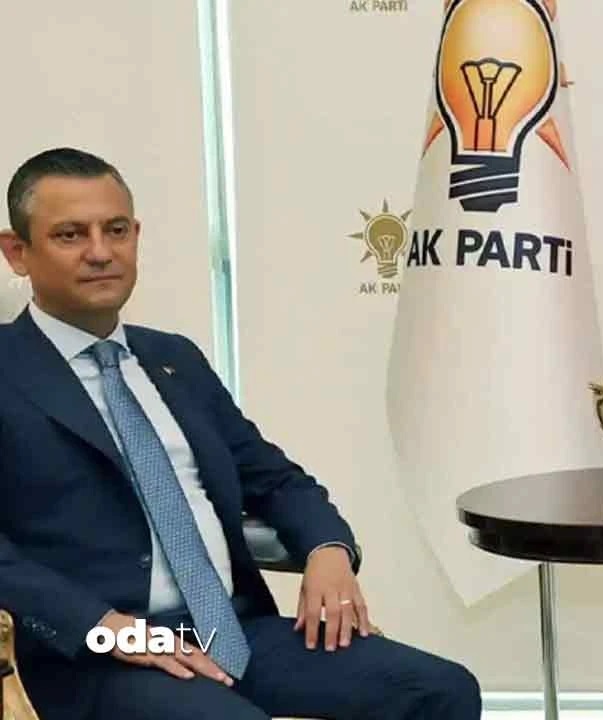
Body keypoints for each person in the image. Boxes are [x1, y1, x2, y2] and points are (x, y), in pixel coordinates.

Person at [0, 147, 480, 719]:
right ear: (17, 252)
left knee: (442, 689)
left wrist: (329, 550)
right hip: (95, 653)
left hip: (230, 628)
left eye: (117, 230)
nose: (101, 252)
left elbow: (275, 479)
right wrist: (107, 628)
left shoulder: (174, 360)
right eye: (71, 235)